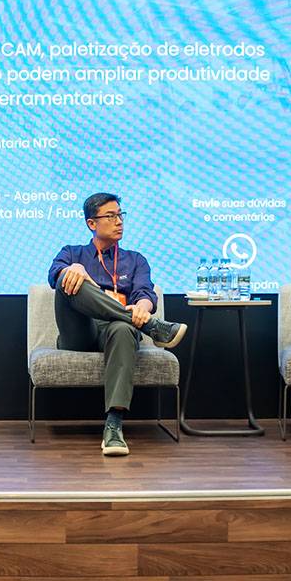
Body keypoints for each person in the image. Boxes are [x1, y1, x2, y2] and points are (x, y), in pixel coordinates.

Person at [48, 192, 187, 456]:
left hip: (117, 330)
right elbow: (54, 276)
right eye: (110, 216)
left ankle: (114, 425)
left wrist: (142, 309)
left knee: (123, 327)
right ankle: (154, 329)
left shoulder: (135, 260)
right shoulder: (72, 252)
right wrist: (73, 268)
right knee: (70, 279)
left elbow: (145, 295)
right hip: (81, 330)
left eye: (120, 215)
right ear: (92, 223)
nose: (119, 221)